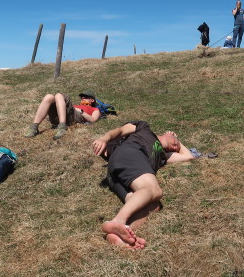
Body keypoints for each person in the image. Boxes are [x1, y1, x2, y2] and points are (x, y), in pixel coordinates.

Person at [92, 121, 196, 249]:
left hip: (116, 175)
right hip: (129, 153)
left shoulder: (163, 156)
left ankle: (119, 236)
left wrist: (179, 142)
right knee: (153, 190)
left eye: (177, 147)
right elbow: (120, 130)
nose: (176, 146)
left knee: (153, 205)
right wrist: (104, 139)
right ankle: (117, 221)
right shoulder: (144, 128)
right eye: (175, 142)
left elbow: (189, 156)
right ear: (166, 133)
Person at [25, 90, 101, 140]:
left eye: (86, 97)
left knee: (58, 95)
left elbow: (93, 119)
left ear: (92, 100)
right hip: (59, 118)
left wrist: (81, 111)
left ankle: (62, 127)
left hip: (75, 117)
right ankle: (34, 128)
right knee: (49, 97)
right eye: (82, 97)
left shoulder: (95, 109)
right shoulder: (75, 105)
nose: (83, 98)